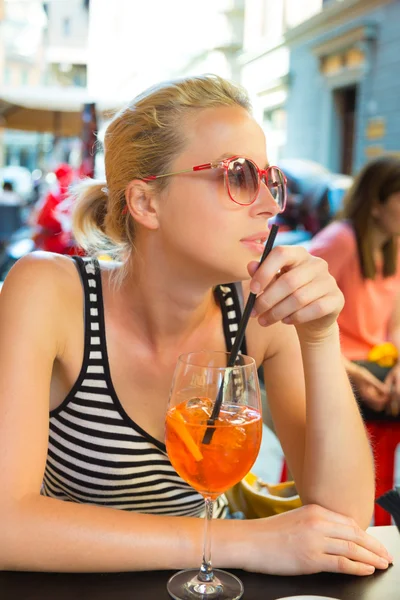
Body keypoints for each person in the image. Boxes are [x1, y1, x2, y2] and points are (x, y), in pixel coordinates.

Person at [0, 75, 391, 576]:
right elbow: (8, 523)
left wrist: (319, 334)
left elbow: (345, 521)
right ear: (146, 203)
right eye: (238, 176)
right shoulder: (49, 292)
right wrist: (237, 542)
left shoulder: (261, 308)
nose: (271, 207)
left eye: (269, 181)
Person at [309, 156, 400, 419]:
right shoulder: (340, 241)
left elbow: (394, 325)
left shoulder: (394, 245)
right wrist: (351, 372)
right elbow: (294, 323)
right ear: (375, 205)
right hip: (339, 363)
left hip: (376, 359)